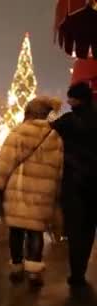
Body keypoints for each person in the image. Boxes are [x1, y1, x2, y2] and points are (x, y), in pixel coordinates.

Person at [0, 97, 64, 288]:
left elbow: (4, 161)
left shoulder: (19, 131)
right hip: (43, 193)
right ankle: (34, 270)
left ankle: (16, 266)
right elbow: (59, 167)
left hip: (19, 190)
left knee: (16, 230)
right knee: (35, 231)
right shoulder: (55, 135)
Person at [50, 82, 97, 288]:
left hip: (74, 182)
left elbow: (48, 132)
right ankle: (81, 268)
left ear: (78, 99)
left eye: (71, 98)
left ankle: (77, 272)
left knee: (76, 228)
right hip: (94, 182)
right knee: (89, 228)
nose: (68, 101)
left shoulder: (67, 122)